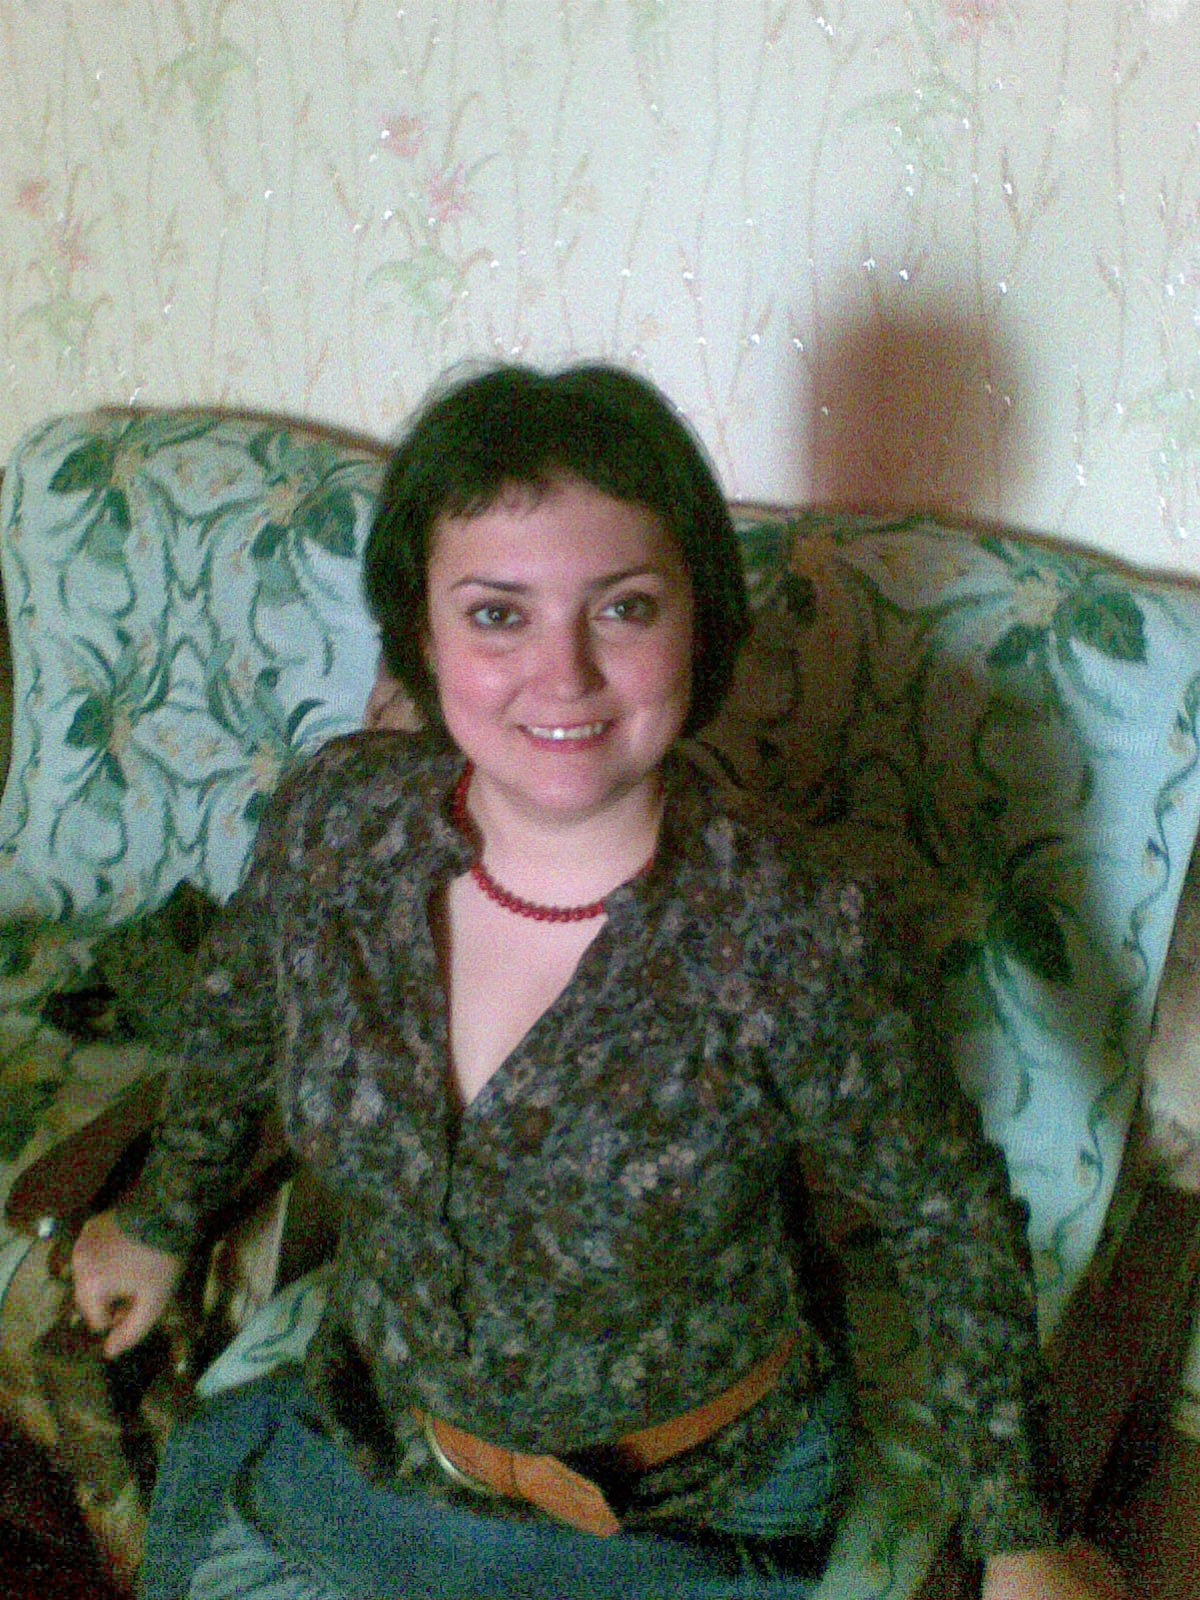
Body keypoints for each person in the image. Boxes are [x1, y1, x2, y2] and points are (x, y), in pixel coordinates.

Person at [71, 362, 1117, 1600]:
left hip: (689, 1519)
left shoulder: (794, 927)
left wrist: (1018, 1528)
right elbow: (238, 1014)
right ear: (421, 633)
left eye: (622, 607)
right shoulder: (335, 822)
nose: (563, 675)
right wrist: (163, 1214)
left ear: (698, 623)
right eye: (497, 614)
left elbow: (946, 1215)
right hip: (376, 1451)